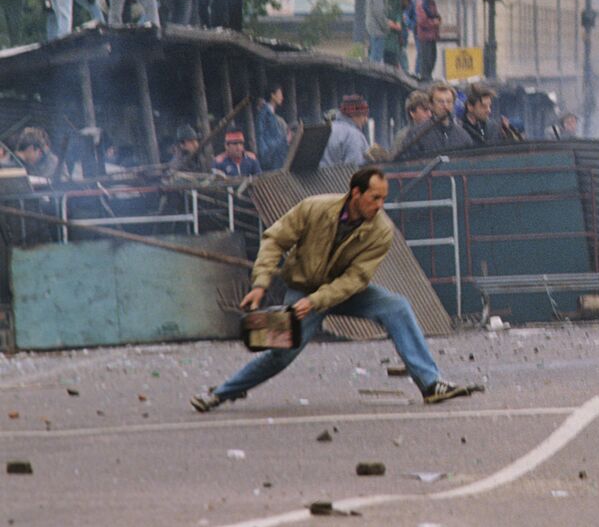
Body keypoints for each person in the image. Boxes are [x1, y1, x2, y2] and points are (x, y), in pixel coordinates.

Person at [191, 166, 477, 411]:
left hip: (343, 293)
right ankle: (222, 393)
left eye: (383, 199)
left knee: (397, 306)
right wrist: (260, 284)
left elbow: (355, 279)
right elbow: (275, 239)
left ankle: (430, 384)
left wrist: (317, 301)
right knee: (283, 352)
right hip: (303, 288)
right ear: (355, 193)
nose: (379, 206)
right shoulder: (314, 208)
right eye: (374, 198)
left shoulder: (381, 231)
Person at [399, 84, 470, 157]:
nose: (445, 105)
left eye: (449, 101)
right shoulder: (416, 135)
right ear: (431, 105)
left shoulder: (463, 136)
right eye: (440, 102)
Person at [321, 94, 372, 168]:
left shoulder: (325, 129)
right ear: (354, 114)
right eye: (364, 115)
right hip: (341, 179)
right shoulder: (354, 136)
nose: (366, 120)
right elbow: (355, 168)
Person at [366, 0, 402, 66]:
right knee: (376, 58)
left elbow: (397, 10)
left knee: (376, 56)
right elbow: (379, 13)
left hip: (377, 30)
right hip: (378, 30)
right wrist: (387, 25)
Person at [255, 85, 290, 171]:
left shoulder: (271, 114)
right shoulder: (264, 114)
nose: (282, 97)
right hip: (272, 157)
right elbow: (262, 137)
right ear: (273, 95)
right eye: (280, 94)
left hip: (275, 155)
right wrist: (285, 139)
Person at [413, 0, 442, 81]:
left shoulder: (431, 2)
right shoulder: (421, 3)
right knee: (426, 60)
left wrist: (438, 19)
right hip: (425, 36)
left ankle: (428, 77)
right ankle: (425, 79)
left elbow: (437, 15)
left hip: (432, 36)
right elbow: (422, 21)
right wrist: (434, 22)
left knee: (432, 58)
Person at [397, 0, 414, 73]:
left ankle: (405, 72)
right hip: (396, 33)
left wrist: (409, 24)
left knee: (403, 52)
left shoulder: (410, 2)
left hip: (404, 33)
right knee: (401, 54)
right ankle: (405, 71)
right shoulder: (396, 0)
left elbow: (413, 18)